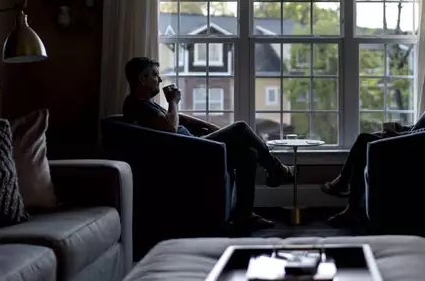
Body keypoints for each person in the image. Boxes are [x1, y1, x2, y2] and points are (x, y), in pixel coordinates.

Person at [121, 57, 296, 231]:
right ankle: (277, 170)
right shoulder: (136, 106)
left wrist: (209, 126)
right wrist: (173, 101)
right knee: (241, 127)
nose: (159, 80)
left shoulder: (145, 104)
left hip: (193, 146)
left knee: (248, 152)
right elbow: (171, 128)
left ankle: (244, 215)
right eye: (155, 75)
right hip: (187, 154)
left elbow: (177, 119)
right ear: (142, 79)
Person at [320, 59, 425, 226]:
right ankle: (348, 200)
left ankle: (345, 191)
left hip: (415, 153)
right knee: (366, 140)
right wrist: (402, 129)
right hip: (410, 145)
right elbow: (422, 129)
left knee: (364, 140)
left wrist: (397, 136)